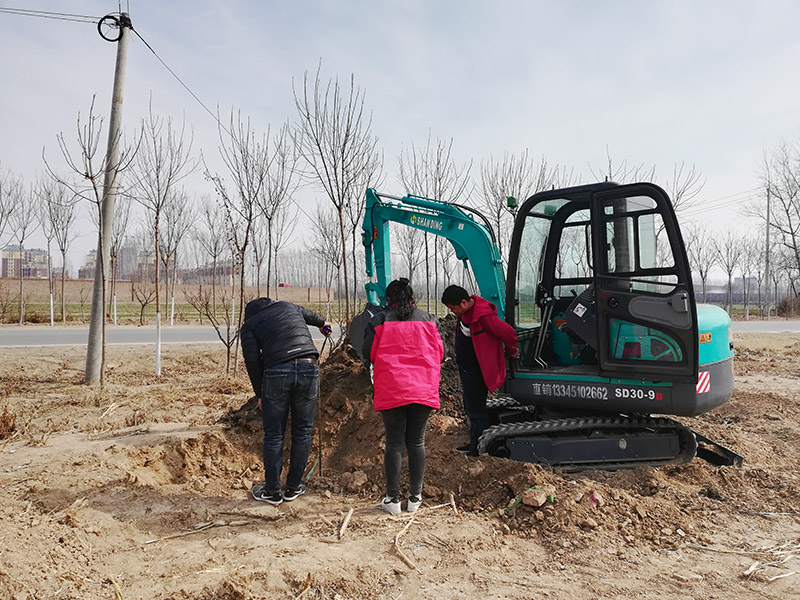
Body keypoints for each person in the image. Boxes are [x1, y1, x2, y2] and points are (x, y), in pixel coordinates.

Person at [240, 297, 332, 506]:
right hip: (309, 367)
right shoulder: (288, 306)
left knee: (273, 435)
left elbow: (253, 361)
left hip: (277, 372)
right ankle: (293, 487)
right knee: (303, 431)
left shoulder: (250, 325)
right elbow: (313, 316)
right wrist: (324, 324)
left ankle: (272, 492)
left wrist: (260, 394)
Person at [363, 278, 443, 515]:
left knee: (394, 443)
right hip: (423, 388)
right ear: (411, 298)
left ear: (388, 300)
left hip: (392, 388)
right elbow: (441, 353)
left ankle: (392, 499)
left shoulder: (379, 321)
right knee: (417, 442)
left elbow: (369, 354)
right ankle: (415, 498)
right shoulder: (429, 320)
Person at [441, 285, 519, 456]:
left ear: (463, 302)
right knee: (471, 408)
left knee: (476, 410)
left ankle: (477, 449)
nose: (452, 312)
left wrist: (511, 349)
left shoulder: (483, 317)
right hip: (467, 369)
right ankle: (475, 442)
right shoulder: (466, 314)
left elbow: (508, 332)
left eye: (453, 308)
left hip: (478, 371)